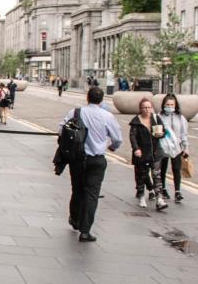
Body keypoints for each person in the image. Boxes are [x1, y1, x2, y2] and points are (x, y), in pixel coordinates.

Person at [59, 87, 123, 242]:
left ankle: (74, 219)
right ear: (102, 100)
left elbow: (61, 129)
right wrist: (112, 147)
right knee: (92, 195)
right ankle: (85, 231)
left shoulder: (76, 112)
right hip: (97, 160)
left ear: (87, 98)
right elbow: (117, 139)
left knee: (77, 189)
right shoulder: (107, 116)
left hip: (78, 158)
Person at [129, 97, 168, 210]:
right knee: (141, 175)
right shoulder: (136, 121)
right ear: (141, 109)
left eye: (149, 107)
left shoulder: (156, 118)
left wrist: (161, 134)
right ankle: (141, 196)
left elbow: (163, 131)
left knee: (156, 175)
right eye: (144, 107)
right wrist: (136, 148)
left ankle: (159, 199)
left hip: (156, 152)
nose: (147, 110)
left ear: (152, 108)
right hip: (142, 153)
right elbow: (132, 137)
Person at [159, 94, 189, 202]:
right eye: (168, 104)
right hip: (163, 146)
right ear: (163, 105)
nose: (170, 106)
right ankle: (163, 188)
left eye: (172, 104)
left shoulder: (180, 118)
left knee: (176, 169)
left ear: (175, 105)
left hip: (176, 147)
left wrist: (186, 148)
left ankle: (177, 191)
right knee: (162, 169)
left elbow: (183, 134)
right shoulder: (159, 116)